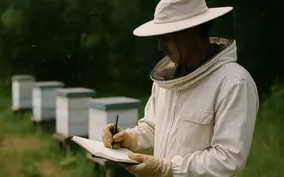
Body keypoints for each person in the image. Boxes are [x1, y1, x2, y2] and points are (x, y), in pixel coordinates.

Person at [102, 0, 259, 176]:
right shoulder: (166, 82)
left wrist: (169, 169)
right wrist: (130, 138)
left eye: (167, 37)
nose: (160, 46)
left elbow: (229, 158)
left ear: (193, 32)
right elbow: (154, 128)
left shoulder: (234, 83)